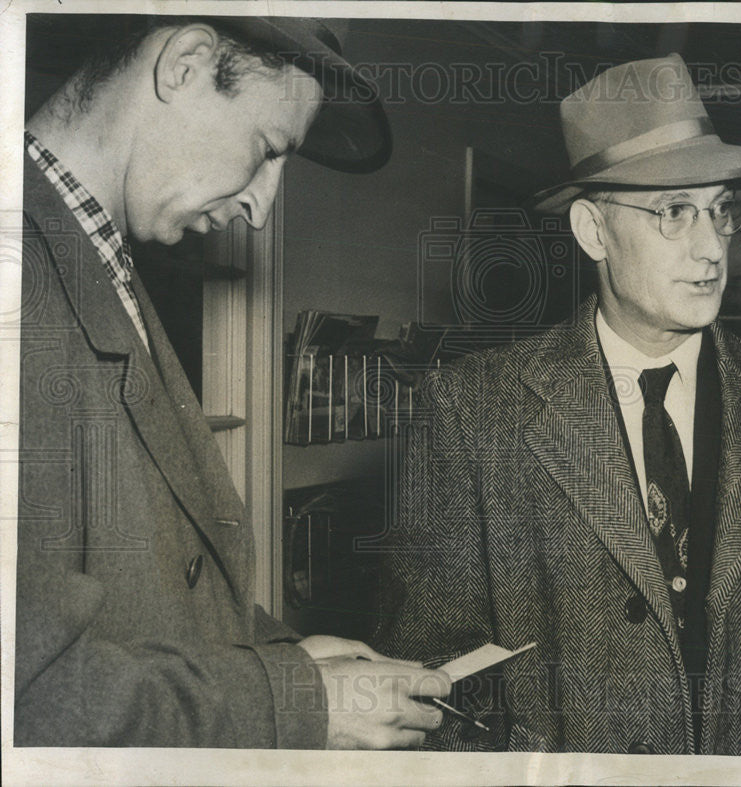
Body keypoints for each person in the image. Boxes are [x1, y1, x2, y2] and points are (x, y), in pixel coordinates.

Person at [374, 55, 741, 756]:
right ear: (592, 231)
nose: (712, 247)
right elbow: (436, 680)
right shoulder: (473, 410)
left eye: (722, 210)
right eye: (674, 211)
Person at [16, 15, 449, 748]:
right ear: (184, 63)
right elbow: (31, 700)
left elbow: (147, 602)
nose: (260, 207)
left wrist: (284, 659)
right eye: (267, 148)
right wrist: (295, 702)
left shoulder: (93, 259)